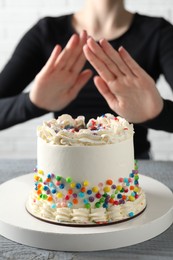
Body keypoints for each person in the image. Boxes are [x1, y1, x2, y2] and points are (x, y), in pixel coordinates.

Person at [0, 0, 173, 159]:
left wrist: (159, 113)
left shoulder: (159, 32)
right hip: (64, 168)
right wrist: (31, 104)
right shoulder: (46, 31)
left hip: (134, 169)